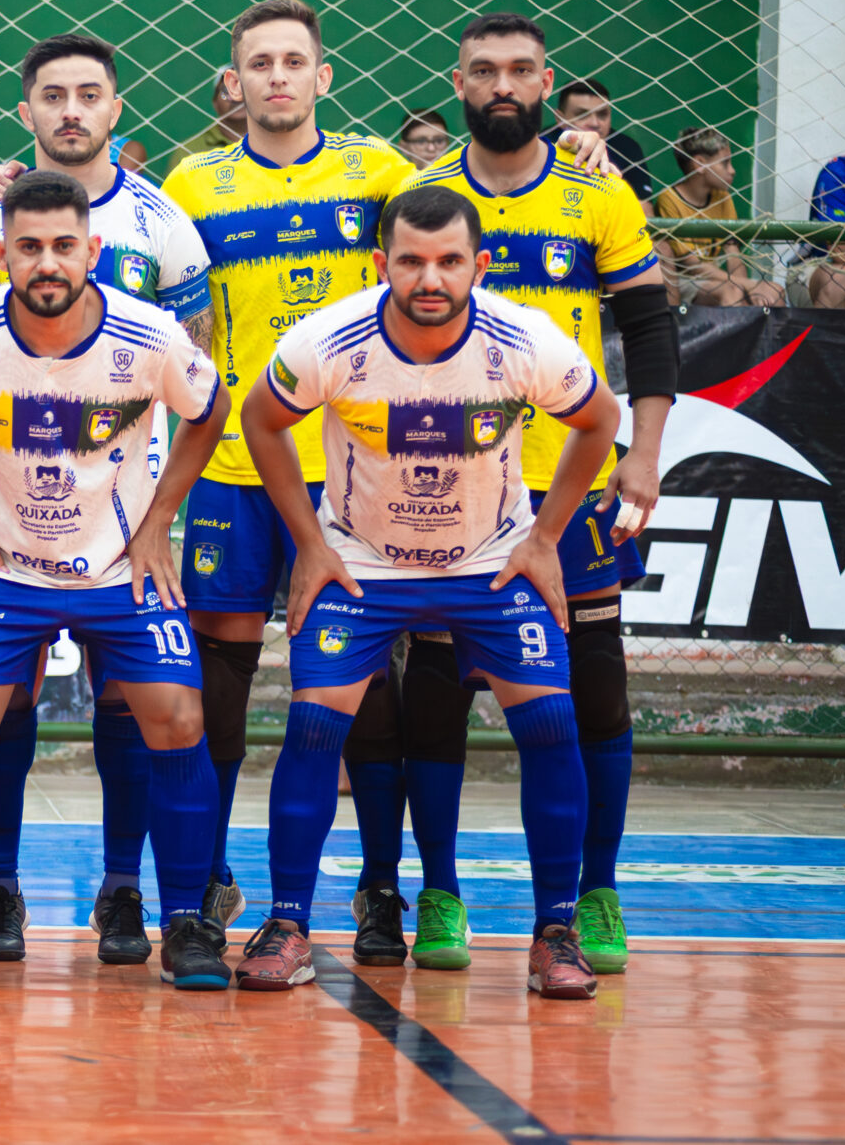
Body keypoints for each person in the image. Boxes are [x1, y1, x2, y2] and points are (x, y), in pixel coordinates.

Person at [236, 184, 624, 1001]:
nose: (430, 278)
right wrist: (309, 541)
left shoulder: (523, 338)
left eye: (450, 261)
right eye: (411, 261)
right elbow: (260, 417)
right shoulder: (330, 338)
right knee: (313, 725)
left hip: (491, 560)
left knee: (552, 725)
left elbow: (599, 419)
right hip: (363, 562)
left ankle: (555, 931)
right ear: (382, 263)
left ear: (480, 264)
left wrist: (545, 537)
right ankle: (288, 922)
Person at [0, 170, 231, 987]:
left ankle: (184, 920)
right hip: (5, 566)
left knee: (177, 715)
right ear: (1, 252)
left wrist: (158, 523)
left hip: (119, 564)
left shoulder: (148, 333)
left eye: (62, 246)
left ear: (93, 249)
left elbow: (212, 409)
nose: (46, 262)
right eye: (29, 247)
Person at [399, 13, 675, 978]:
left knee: (594, 688)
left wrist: (645, 454)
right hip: (445, 490)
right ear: (459, 84)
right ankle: (440, 891)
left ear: (548, 83)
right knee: (435, 694)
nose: (503, 85)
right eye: (484, 71)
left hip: (574, 485)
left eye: (521, 70)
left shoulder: (597, 190)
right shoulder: (422, 194)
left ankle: (595, 890)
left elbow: (649, 326)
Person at [0, 32, 211, 966]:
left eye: (88, 94)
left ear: (115, 107)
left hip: (124, 518)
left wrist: (160, 515)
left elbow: (198, 371)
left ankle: (127, 888)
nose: (70, 110)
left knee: (138, 705)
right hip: (8, 517)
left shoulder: (163, 222)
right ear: (26, 110)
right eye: (52, 95)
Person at [157, 1, 418, 947]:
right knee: (219, 677)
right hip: (233, 462)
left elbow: (476, 198)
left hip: (354, 468)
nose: (276, 76)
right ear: (234, 83)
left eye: (293, 61)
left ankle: (379, 884)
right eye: (259, 63)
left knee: (362, 681)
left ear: (322, 76)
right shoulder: (194, 183)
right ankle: (211, 876)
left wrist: (577, 150)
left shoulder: (379, 171)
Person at [654, 126, 782, 308]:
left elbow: (732, 252)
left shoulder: (723, 198)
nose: (732, 170)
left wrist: (749, 291)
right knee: (732, 292)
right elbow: (692, 266)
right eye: (725, 163)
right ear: (700, 164)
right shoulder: (669, 199)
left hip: (717, 278)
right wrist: (747, 285)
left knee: (774, 292)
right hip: (684, 279)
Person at [549, 78, 652, 201]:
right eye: (582, 115)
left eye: (602, 114)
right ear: (560, 118)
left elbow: (644, 209)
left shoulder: (627, 148)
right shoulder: (544, 143)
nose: (595, 123)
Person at [163, 68, 245, 179]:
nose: (236, 97)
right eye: (226, 91)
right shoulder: (188, 152)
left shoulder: (269, 146)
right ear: (215, 103)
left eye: (245, 89)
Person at [806, 149, 845, 308]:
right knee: (840, 279)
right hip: (819, 264)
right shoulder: (837, 173)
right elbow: (841, 253)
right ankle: (820, 326)